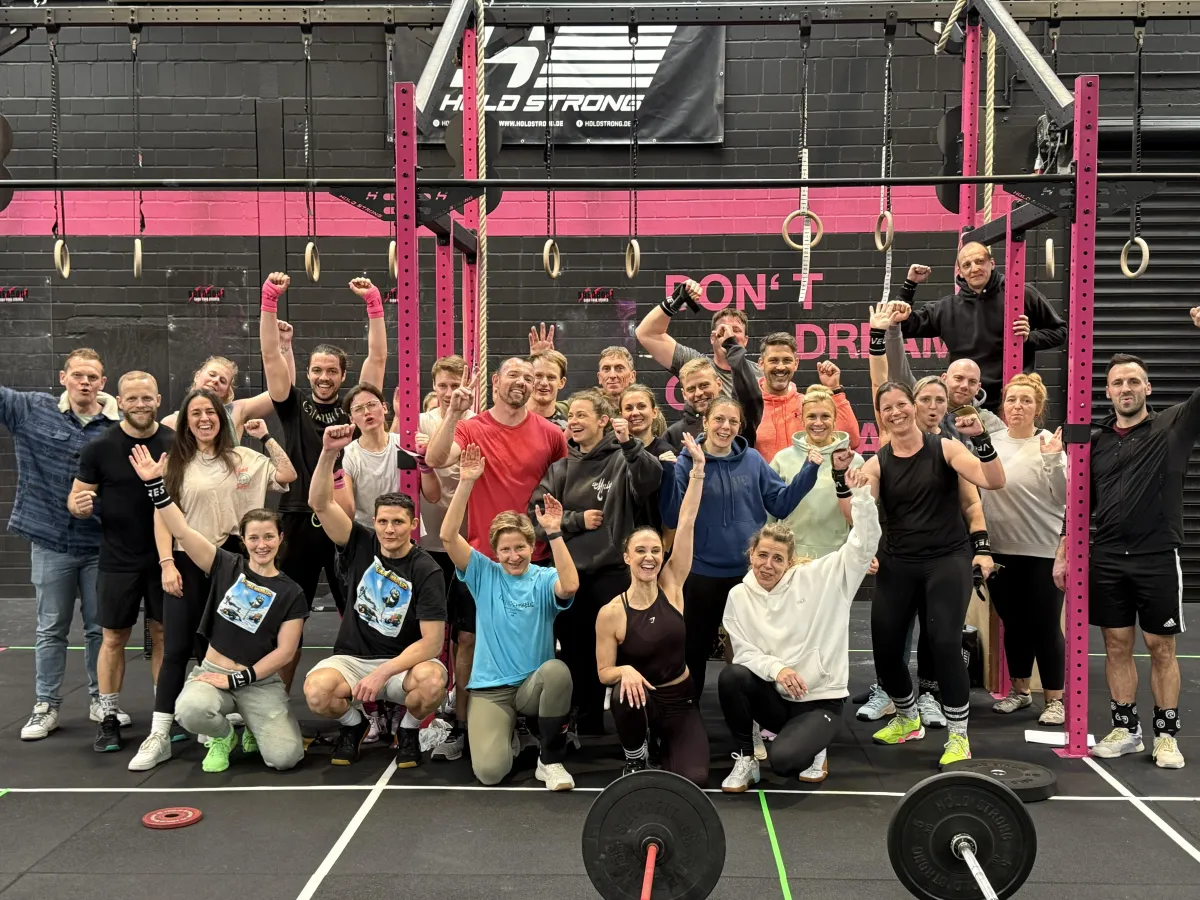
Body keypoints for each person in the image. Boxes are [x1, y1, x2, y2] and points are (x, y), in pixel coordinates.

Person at [1054, 316, 1200, 769]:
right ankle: (1126, 729)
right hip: (1108, 556)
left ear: (1148, 388)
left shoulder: (1173, 426)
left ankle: (1166, 736)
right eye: (1118, 382)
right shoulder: (1094, 440)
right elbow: (1078, 502)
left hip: (1157, 556)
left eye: (1134, 381)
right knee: (1116, 644)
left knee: (1161, 647)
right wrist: (1064, 550)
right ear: (1108, 391)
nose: (1126, 388)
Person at [128, 388, 295, 772]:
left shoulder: (244, 458)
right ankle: (160, 733)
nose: (204, 419)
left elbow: (287, 474)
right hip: (189, 559)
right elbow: (162, 516)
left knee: (228, 647)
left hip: (235, 563)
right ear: (186, 422)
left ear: (221, 418)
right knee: (175, 648)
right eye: (196, 413)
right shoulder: (176, 463)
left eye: (211, 412)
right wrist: (166, 563)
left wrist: (265, 437)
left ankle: (223, 723)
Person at [854, 381, 1006, 766]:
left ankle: (958, 736)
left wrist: (982, 439)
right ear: (880, 416)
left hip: (946, 559)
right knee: (886, 650)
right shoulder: (876, 463)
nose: (896, 412)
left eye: (901, 404)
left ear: (913, 406)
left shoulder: (947, 448)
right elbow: (858, 518)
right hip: (898, 562)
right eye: (887, 408)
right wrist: (847, 487)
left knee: (944, 643)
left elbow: (994, 480)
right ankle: (908, 719)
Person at [719, 461, 881, 791]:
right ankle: (747, 758)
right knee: (732, 677)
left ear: (790, 561)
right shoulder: (739, 595)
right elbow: (745, 653)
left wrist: (863, 497)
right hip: (777, 698)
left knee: (784, 763)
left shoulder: (822, 579)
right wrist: (778, 670)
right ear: (751, 554)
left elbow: (863, 545)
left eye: (778, 558)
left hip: (819, 699)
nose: (768, 565)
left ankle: (816, 745)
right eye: (762, 555)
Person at [304, 424, 448, 767]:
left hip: (402, 664)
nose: (389, 530)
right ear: (375, 522)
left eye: (398, 522)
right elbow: (319, 503)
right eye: (383, 522)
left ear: (413, 525)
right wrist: (329, 453)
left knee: (432, 683)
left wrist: (383, 673)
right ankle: (354, 725)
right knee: (317, 692)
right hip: (354, 658)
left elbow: (432, 643)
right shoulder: (359, 542)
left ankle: (408, 730)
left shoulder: (426, 569)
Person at [440, 443, 580, 790]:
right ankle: (512, 735)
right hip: (491, 689)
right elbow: (447, 536)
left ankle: (549, 761)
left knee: (558, 672)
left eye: (520, 547)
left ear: (532, 547)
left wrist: (554, 531)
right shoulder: (483, 573)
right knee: (490, 774)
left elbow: (570, 585)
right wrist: (467, 482)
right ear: (495, 551)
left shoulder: (544, 578)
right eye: (505, 549)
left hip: (533, 685)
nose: (513, 556)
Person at [529, 390, 664, 735]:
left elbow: (651, 479)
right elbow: (534, 519)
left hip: (614, 575)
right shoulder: (560, 468)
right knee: (576, 652)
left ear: (603, 420)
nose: (572, 421)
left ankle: (635, 727)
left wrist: (630, 445)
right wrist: (575, 520)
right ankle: (583, 723)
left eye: (581, 415)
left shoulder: (623, 458)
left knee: (624, 651)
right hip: (570, 578)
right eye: (571, 415)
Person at [258, 272, 387, 621]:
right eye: (317, 370)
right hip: (298, 517)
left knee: (357, 609)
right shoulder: (291, 404)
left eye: (331, 371)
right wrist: (269, 300)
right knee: (287, 611)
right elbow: (270, 355)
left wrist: (374, 305)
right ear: (308, 373)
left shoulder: (356, 408)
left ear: (343, 376)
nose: (324, 377)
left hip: (343, 518)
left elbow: (377, 360)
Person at [7, 349, 119, 742]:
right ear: (63, 378)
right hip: (50, 541)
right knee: (51, 628)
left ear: (103, 383)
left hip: (100, 544)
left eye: (92, 377)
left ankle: (101, 700)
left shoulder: (119, 425)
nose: (85, 382)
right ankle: (46, 705)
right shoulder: (31, 409)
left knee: (99, 628)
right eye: (78, 375)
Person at [674, 397, 820, 696]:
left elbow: (781, 504)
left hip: (747, 574)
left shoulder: (752, 460)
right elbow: (673, 514)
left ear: (740, 427)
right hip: (701, 572)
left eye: (733, 421)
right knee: (694, 648)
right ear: (706, 422)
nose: (725, 427)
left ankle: (751, 710)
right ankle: (687, 709)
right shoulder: (687, 461)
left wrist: (810, 469)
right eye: (719, 419)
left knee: (751, 646)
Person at [68, 372, 174, 752]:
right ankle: (108, 716)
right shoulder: (100, 448)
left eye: (147, 398)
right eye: (132, 398)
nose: (140, 405)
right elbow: (77, 497)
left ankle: (164, 717)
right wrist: (79, 506)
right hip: (117, 559)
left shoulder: (175, 444)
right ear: (120, 401)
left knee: (163, 635)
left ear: (158, 399)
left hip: (166, 559)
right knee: (113, 638)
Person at [596, 432, 708, 784]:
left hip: (679, 699)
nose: (649, 557)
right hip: (639, 698)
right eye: (641, 551)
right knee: (623, 692)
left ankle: (665, 741)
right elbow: (604, 672)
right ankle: (635, 754)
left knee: (694, 778)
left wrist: (698, 471)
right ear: (627, 557)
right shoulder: (612, 612)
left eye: (656, 550)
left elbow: (686, 521)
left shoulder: (672, 586)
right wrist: (623, 671)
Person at [981, 374, 1067, 725]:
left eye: (1026, 400)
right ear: (1003, 406)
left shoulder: (1050, 442)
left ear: (1038, 407)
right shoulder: (990, 442)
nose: (1018, 406)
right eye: (1012, 400)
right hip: (999, 550)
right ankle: (1020, 692)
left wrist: (1053, 460)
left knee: (1045, 625)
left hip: (1042, 550)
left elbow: (1064, 498)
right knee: (1013, 624)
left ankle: (1055, 700)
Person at [423, 358, 568, 563]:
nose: (521, 382)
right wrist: (454, 412)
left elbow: (563, 490)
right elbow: (436, 460)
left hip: (533, 556)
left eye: (528, 379)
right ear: (496, 381)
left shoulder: (552, 434)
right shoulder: (470, 428)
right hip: (484, 555)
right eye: (513, 375)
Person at [892, 253, 1066, 411]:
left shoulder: (1022, 295)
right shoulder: (946, 308)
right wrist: (910, 284)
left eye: (979, 262)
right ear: (960, 272)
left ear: (992, 263)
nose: (974, 268)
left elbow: (1060, 332)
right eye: (967, 265)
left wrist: (1029, 338)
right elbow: (903, 325)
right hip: (966, 402)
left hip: (1011, 402)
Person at [415, 355, 476, 761]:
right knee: (433, 627)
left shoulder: (477, 422)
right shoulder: (420, 422)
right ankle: (431, 696)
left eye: (456, 385)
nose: (450, 392)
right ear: (434, 386)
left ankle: (459, 696)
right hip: (430, 539)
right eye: (443, 385)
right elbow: (425, 478)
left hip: (467, 539)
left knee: (464, 631)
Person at [769, 385, 864, 560]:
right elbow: (768, 517)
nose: (818, 423)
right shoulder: (781, 459)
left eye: (825, 416)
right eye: (811, 416)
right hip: (790, 558)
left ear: (835, 420)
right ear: (802, 420)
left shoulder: (854, 461)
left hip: (837, 559)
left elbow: (863, 517)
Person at [636, 278, 762, 398]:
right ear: (712, 338)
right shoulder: (696, 367)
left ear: (746, 340)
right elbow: (647, 334)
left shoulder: (761, 374)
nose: (729, 334)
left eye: (736, 330)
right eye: (723, 329)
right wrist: (675, 299)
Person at [161, 335, 295, 440]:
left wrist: (285, 346)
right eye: (212, 374)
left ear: (226, 392)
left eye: (222, 381)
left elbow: (283, 390)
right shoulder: (171, 423)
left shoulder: (236, 412)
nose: (215, 381)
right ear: (197, 376)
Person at [756, 332, 860, 463]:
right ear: (761, 364)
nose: (781, 367)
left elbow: (851, 441)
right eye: (773, 360)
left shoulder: (807, 405)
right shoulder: (749, 406)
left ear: (796, 364)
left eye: (787, 360)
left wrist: (835, 390)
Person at [340, 382, 419, 528]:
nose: (366, 412)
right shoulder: (349, 455)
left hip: (406, 530)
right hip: (368, 532)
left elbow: (432, 495)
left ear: (384, 408)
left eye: (371, 404)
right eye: (358, 409)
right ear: (351, 419)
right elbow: (346, 512)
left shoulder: (405, 444)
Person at [667, 357, 762, 452]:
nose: (698, 393)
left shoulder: (742, 422)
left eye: (704, 385)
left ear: (719, 384)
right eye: (691, 389)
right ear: (684, 394)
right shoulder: (673, 435)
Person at [528, 349, 569, 428]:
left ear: (562, 382)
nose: (544, 383)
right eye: (538, 375)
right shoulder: (510, 420)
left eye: (551, 377)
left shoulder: (566, 430)